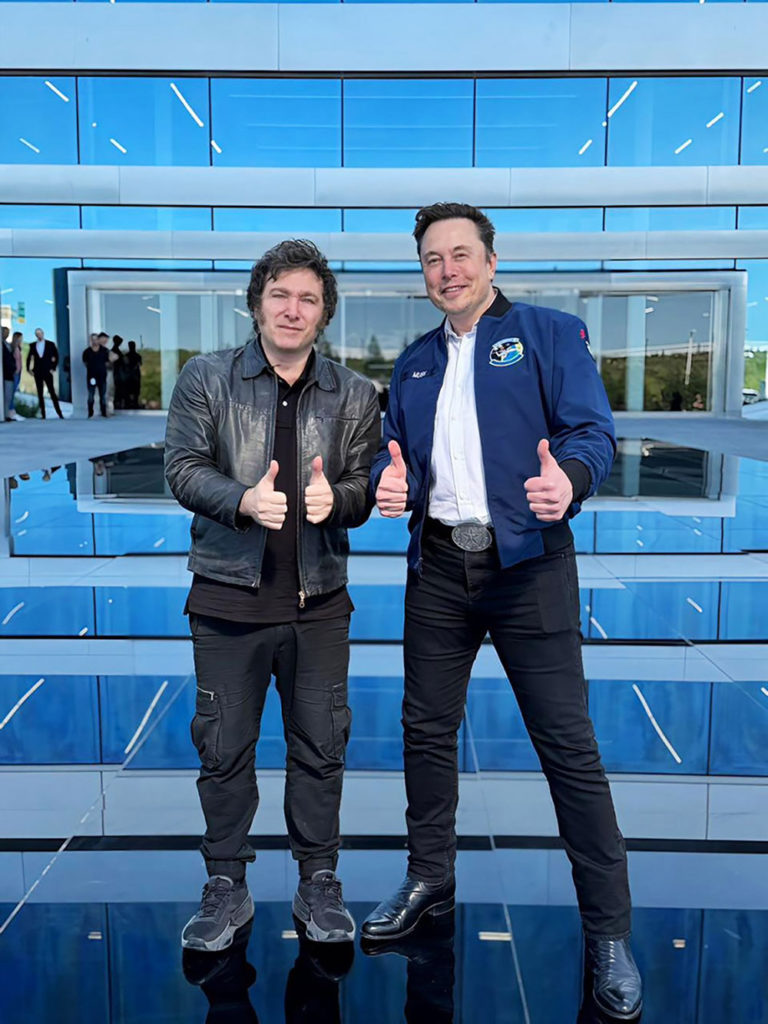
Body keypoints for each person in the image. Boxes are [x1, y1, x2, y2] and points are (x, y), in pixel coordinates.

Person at [363, 203, 642, 1020]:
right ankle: (429, 879)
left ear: (490, 260)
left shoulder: (550, 335)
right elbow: (401, 462)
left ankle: (610, 933)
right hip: (441, 568)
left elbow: (593, 433)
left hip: (529, 566)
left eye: (460, 254)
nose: (446, 270)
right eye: (431, 260)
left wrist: (572, 482)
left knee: (569, 748)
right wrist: (395, 487)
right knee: (424, 730)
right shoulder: (413, 365)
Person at [165, 240, 381, 952]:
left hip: (320, 604)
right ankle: (225, 884)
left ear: (324, 314)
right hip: (227, 600)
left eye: (309, 299)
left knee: (322, 745)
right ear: (257, 301)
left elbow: (364, 486)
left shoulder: (353, 393)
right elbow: (182, 467)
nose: (293, 309)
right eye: (281, 294)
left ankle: (319, 880)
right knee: (223, 747)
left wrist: (339, 497)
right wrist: (242, 502)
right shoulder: (207, 377)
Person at [25, 327, 63, 419]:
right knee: (40, 392)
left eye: (40, 333)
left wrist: (53, 368)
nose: (39, 335)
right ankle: (43, 414)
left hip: (47, 371)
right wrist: (28, 369)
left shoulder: (50, 344)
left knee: (52, 392)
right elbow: (29, 357)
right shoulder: (33, 345)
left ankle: (59, 413)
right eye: (37, 334)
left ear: (43, 333)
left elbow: (56, 357)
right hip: (37, 371)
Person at [83, 332, 110, 417]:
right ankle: (90, 413)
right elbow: (85, 362)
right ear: (91, 340)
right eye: (92, 339)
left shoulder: (105, 351)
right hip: (91, 377)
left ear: (98, 340)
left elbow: (108, 362)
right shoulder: (87, 352)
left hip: (102, 377)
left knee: (103, 396)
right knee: (91, 396)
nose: (94, 341)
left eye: (96, 339)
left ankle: (104, 413)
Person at [2, 326, 16, 420]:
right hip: (5, 373)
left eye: (8, 332)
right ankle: (4, 415)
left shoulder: (7, 344)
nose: (7, 334)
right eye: (5, 332)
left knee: (8, 396)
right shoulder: (2, 345)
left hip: (9, 374)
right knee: (6, 395)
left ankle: (6, 414)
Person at [124, 340, 143, 409]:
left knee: (135, 392)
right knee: (131, 391)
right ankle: (130, 404)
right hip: (131, 376)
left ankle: (133, 404)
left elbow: (139, 364)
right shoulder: (136, 356)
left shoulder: (131, 356)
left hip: (133, 376)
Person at [10, 331, 23, 409]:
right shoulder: (13, 348)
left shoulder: (18, 348)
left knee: (13, 392)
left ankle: (12, 410)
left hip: (18, 372)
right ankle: (11, 410)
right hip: (15, 373)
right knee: (12, 392)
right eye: (20, 338)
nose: (21, 340)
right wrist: (15, 370)